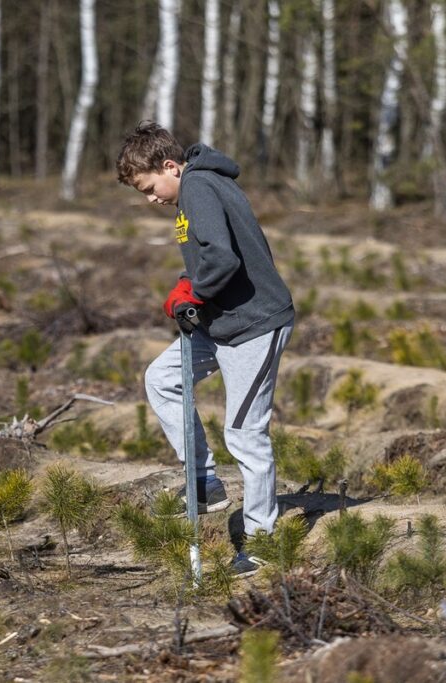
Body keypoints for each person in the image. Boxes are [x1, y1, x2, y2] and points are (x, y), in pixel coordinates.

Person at [116, 122, 295, 575]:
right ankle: (204, 483)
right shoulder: (195, 189)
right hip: (220, 324)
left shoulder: (198, 186)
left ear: (170, 166)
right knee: (162, 378)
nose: (151, 199)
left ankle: (262, 543)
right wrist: (188, 285)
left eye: (149, 187)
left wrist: (193, 291)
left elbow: (223, 257)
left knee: (245, 434)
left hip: (256, 324)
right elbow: (209, 256)